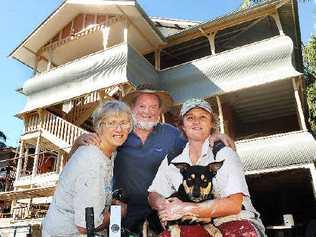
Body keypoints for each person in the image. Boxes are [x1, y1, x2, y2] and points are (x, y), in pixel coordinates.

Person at [72, 86, 235, 234]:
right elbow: (80, 163)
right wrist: (78, 142)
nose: (147, 111)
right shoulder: (119, 134)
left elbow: (197, 142)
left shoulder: (171, 134)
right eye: (142, 106)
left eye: (153, 107)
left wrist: (214, 135)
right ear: (132, 109)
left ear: (159, 111)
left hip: (163, 213)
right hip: (122, 214)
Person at [148, 98, 266, 237]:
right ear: (183, 126)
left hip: (235, 221)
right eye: (190, 117)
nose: (196, 121)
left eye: (202, 117)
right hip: (194, 225)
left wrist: (185, 208)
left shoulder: (223, 153)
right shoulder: (172, 159)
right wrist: (165, 205)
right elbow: (153, 194)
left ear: (211, 124)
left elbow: (234, 204)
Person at [42, 100, 133, 236]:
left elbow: (74, 173)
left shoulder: (109, 152)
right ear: (99, 126)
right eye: (111, 122)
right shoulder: (93, 161)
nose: (118, 129)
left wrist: (106, 199)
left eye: (124, 123)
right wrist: (118, 213)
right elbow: (85, 226)